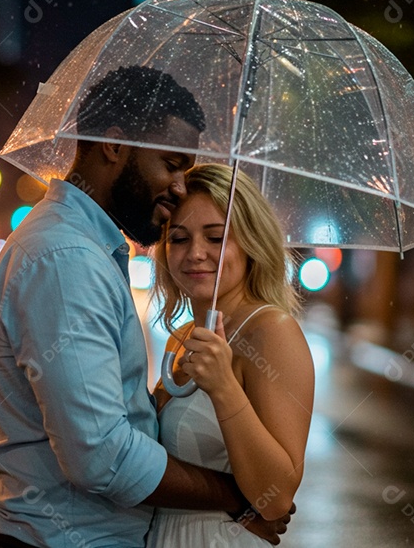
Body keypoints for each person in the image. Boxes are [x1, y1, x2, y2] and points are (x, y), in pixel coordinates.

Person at [0, 66, 289, 548]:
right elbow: (101, 456)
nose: (180, 186)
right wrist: (238, 498)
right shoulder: (68, 257)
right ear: (114, 145)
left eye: (216, 237)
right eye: (172, 164)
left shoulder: (84, 248)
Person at [147, 163, 315, 547]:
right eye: (179, 238)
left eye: (216, 237)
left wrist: (224, 386)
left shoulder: (271, 331)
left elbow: (276, 498)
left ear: (251, 242)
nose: (196, 254)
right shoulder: (184, 337)